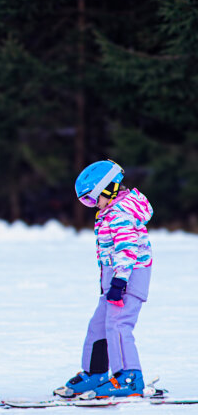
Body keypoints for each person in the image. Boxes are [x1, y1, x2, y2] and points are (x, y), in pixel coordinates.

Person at [55, 159, 153, 398]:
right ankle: (96, 373)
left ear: (108, 189)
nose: (92, 205)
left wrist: (119, 282)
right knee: (98, 326)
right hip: (114, 281)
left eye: (92, 199)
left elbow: (127, 250)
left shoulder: (120, 214)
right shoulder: (110, 212)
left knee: (119, 326)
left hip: (127, 279)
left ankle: (129, 377)